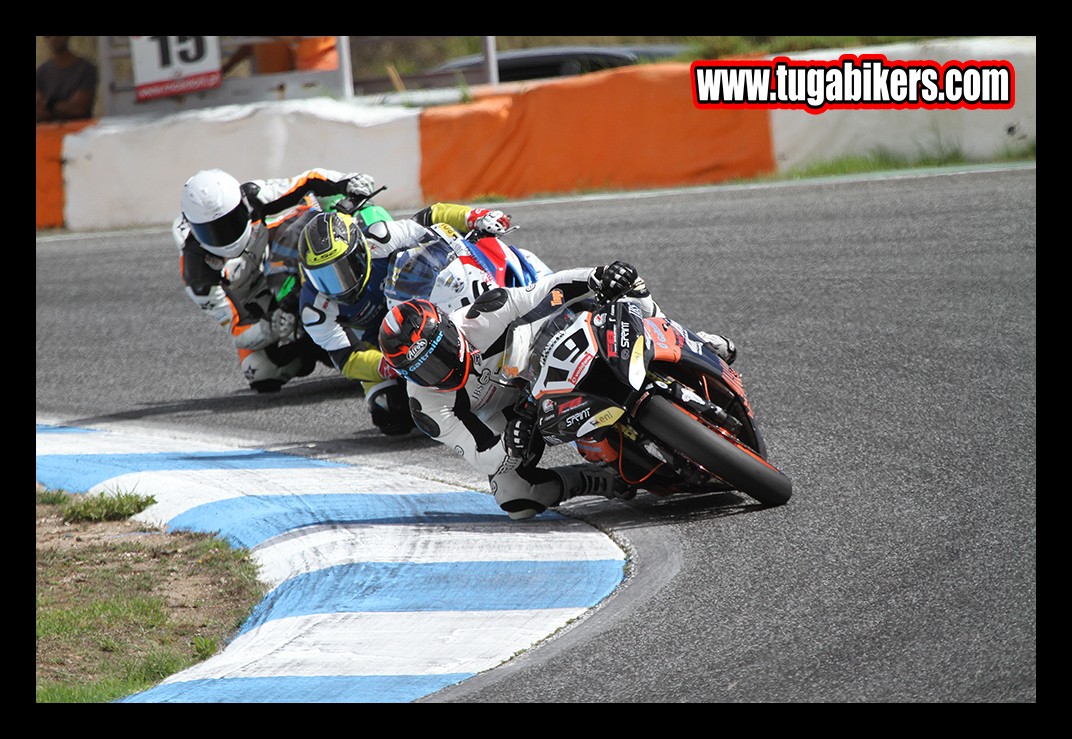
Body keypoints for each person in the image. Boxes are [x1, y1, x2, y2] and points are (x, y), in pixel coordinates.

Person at [379, 262, 738, 520]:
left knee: (628, 290)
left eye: (439, 354)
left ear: (449, 331)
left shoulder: (482, 315)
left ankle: (693, 339)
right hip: (516, 416)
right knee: (514, 500)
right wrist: (512, 444)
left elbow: (548, 290)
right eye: (424, 370)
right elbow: (481, 455)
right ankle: (599, 481)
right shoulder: (425, 407)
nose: (438, 370)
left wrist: (597, 277)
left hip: (542, 350)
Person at [296, 203, 520, 435]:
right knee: (390, 413)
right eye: (323, 276)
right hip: (380, 347)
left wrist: (474, 217)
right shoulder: (314, 309)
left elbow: (429, 218)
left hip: (420, 310)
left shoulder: (380, 239)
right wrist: (391, 365)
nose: (337, 285)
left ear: (360, 250)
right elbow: (347, 359)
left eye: (343, 268)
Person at [174, 167, 379, 393]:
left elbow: (309, 181)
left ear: (242, 204)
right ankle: (318, 344)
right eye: (210, 230)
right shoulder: (198, 275)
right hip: (258, 302)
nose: (224, 234)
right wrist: (271, 326)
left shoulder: (255, 196)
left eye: (232, 220)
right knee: (261, 371)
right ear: (193, 227)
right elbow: (238, 330)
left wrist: (347, 181)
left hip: (284, 254)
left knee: (330, 214)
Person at [36, 36, 98, 123]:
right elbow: (38, 112)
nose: (54, 38)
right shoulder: (41, 72)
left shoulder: (86, 69)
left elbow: (78, 108)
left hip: (79, 131)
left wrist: (49, 105)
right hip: (49, 132)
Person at [222, 36, 338, 76]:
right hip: (271, 81)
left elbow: (291, 39)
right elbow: (250, 45)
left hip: (320, 69)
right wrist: (227, 67)